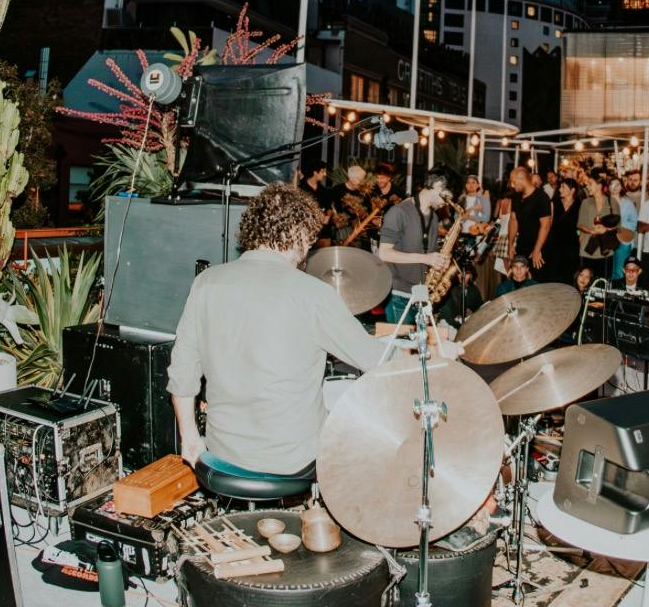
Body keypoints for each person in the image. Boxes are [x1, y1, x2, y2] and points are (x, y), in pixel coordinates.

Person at [169, 183, 387, 477]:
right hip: (293, 461)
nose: (308, 249)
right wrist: (426, 350)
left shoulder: (206, 282)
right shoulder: (312, 293)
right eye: (309, 240)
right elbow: (377, 361)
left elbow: (182, 372)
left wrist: (191, 439)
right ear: (296, 234)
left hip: (221, 454)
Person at [376, 171, 453, 323]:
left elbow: (426, 252)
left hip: (421, 294)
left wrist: (439, 262)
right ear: (437, 186)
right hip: (398, 294)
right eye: (448, 196)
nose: (449, 201)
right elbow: (383, 253)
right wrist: (426, 258)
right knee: (401, 345)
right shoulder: (399, 212)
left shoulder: (434, 216)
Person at [509, 167, 553, 273]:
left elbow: (545, 226)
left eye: (513, 182)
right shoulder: (516, 197)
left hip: (539, 247)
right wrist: (510, 244)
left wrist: (537, 249)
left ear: (521, 179)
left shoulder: (542, 197)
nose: (512, 185)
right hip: (521, 246)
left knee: (535, 283)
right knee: (519, 280)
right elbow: (513, 220)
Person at [543, 179, 582, 285]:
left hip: (571, 246)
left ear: (572, 190)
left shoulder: (580, 205)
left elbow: (581, 228)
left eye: (563, 187)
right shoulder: (553, 204)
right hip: (554, 245)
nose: (560, 189)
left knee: (569, 276)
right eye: (560, 187)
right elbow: (548, 225)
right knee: (552, 276)